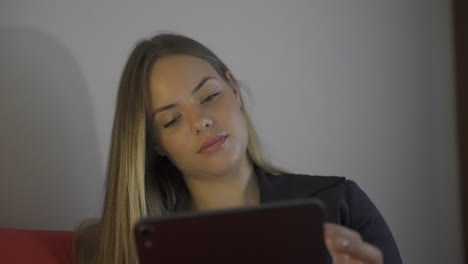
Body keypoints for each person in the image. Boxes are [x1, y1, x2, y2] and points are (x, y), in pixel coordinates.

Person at [75, 33, 402, 264]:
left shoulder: (340, 201)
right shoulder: (131, 249)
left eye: (209, 96)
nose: (200, 122)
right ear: (155, 144)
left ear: (234, 89)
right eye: (172, 119)